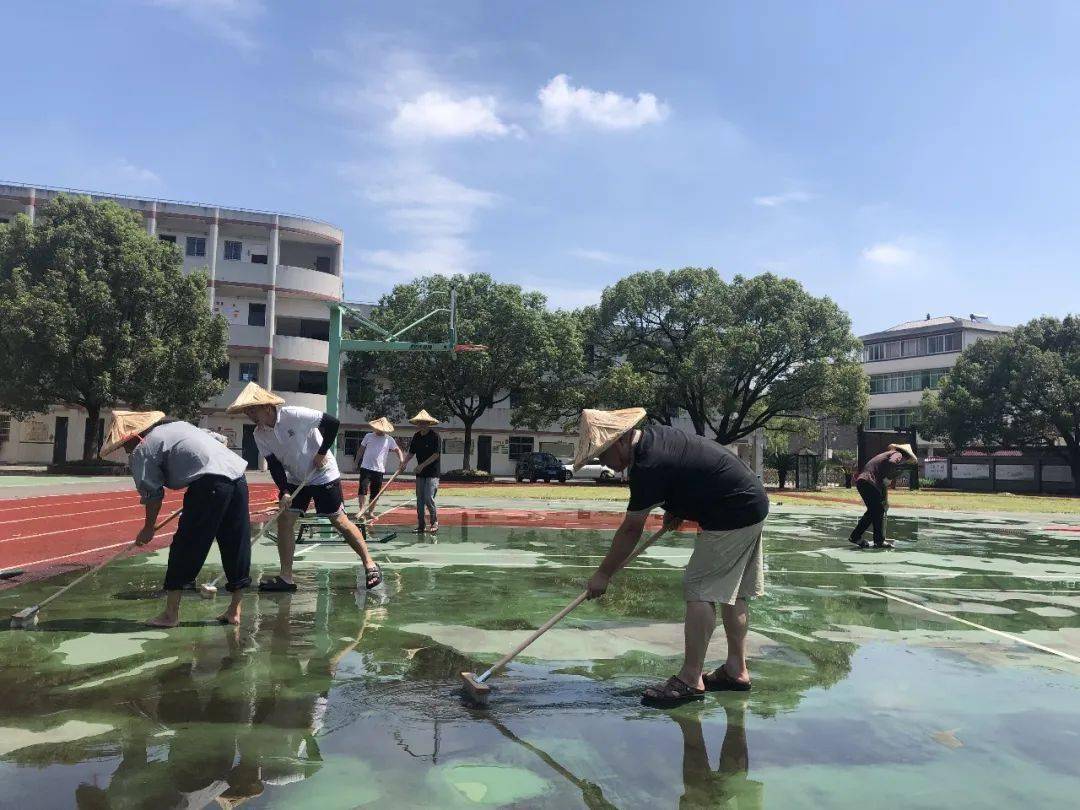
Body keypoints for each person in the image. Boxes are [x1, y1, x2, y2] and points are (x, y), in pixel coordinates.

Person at [580, 408, 770, 707]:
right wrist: (679, 509)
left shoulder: (647, 465)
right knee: (734, 594)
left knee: (700, 588)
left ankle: (690, 679)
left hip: (732, 511)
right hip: (750, 500)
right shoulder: (655, 438)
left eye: (602, 454)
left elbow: (631, 530)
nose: (603, 463)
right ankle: (736, 670)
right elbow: (690, 472)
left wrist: (603, 574)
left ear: (618, 442)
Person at [100, 410, 251, 627]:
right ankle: (234, 611)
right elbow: (220, 440)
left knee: (186, 545)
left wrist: (148, 528)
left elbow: (152, 494)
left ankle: (170, 615)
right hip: (237, 477)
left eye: (124, 444)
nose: (125, 450)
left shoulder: (143, 449)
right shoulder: (178, 425)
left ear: (134, 437)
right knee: (235, 541)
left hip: (209, 484)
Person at [226, 382, 383, 590]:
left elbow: (332, 423)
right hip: (297, 478)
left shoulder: (294, 415)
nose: (249, 414)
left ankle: (370, 565)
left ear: (266, 406)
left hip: (323, 474)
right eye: (246, 411)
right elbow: (274, 465)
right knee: (285, 520)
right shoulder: (259, 434)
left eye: (252, 409)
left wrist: (321, 453)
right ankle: (286, 577)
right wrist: (284, 490)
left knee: (339, 521)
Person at [848, 443, 918, 550]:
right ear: (906, 456)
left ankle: (857, 537)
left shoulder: (887, 456)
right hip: (868, 481)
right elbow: (891, 463)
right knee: (877, 510)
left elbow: (883, 483)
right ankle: (878, 541)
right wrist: (890, 477)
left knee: (874, 511)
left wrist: (885, 501)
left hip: (863, 481)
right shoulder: (897, 454)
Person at [354, 416, 404, 521]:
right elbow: (360, 450)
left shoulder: (389, 439)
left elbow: (397, 450)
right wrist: (356, 463)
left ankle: (371, 512)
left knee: (375, 492)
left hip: (379, 470)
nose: (379, 430)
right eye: (378, 428)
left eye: (382, 429)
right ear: (375, 427)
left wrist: (401, 461)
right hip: (366, 467)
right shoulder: (368, 436)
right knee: (362, 488)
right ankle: (362, 510)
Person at [401, 409, 441, 534]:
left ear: (429, 424)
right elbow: (411, 452)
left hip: (432, 473)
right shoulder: (416, 436)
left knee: (429, 498)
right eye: (420, 423)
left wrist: (422, 465)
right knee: (420, 500)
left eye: (425, 423)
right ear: (418, 424)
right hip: (420, 473)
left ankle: (434, 522)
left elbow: (436, 455)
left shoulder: (435, 436)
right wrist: (404, 463)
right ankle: (421, 525)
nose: (422, 425)